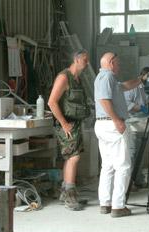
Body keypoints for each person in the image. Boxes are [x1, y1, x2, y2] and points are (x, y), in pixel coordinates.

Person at [94, 52, 144, 218]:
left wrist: (141, 79)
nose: (120, 66)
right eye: (118, 63)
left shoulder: (105, 78)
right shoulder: (107, 77)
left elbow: (125, 86)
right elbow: (104, 100)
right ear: (110, 62)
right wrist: (117, 120)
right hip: (111, 124)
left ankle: (105, 204)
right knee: (123, 166)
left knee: (108, 166)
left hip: (102, 125)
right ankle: (118, 206)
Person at [48, 49, 90, 211]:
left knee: (70, 156)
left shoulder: (77, 79)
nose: (87, 63)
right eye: (85, 60)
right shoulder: (64, 77)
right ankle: (70, 196)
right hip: (66, 124)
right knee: (74, 157)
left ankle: (65, 192)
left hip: (75, 123)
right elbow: (52, 102)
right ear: (76, 60)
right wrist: (64, 124)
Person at [124, 66, 149, 189]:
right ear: (143, 76)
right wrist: (141, 107)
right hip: (130, 122)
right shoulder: (132, 87)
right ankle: (128, 182)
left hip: (141, 122)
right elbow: (125, 103)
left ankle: (138, 179)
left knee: (140, 152)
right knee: (131, 153)